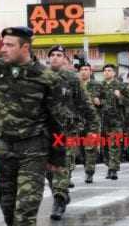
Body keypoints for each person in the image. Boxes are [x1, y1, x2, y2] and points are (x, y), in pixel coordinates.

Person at [0, 27, 67, 226]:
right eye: (3, 44)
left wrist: (57, 155)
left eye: (10, 45)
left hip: (33, 150)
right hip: (5, 150)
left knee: (25, 214)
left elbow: (58, 119)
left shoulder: (47, 77)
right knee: (8, 210)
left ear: (25, 47)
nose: (4, 49)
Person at [46, 45, 99, 220]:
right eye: (52, 55)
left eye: (59, 55)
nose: (55, 58)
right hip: (45, 131)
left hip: (67, 130)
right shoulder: (40, 77)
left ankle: (59, 200)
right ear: (48, 59)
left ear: (64, 59)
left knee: (62, 165)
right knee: (48, 169)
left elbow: (85, 104)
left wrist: (93, 128)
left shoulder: (72, 79)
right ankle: (60, 193)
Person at [78, 63, 102, 183]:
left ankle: (89, 172)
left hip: (92, 121)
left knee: (90, 148)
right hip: (78, 121)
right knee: (80, 149)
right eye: (82, 69)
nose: (84, 72)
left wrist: (100, 102)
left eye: (86, 69)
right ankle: (85, 167)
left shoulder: (97, 85)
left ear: (91, 71)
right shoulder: (74, 84)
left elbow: (107, 101)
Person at [100, 64, 125, 180]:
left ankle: (113, 169)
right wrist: (99, 101)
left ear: (114, 73)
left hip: (116, 121)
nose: (107, 72)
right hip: (104, 120)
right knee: (105, 147)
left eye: (109, 70)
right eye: (105, 71)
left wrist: (120, 96)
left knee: (114, 145)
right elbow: (95, 99)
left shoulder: (120, 86)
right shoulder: (100, 86)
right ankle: (109, 166)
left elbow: (128, 101)